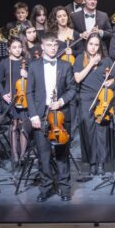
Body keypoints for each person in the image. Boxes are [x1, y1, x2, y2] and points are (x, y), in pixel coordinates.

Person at [26, 32, 76, 202]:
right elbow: (29, 92)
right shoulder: (33, 66)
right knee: (44, 156)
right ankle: (46, 188)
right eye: (49, 45)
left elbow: (72, 89)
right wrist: (33, 115)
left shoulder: (66, 65)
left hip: (60, 115)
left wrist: (61, 101)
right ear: (42, 47)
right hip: (41, 114)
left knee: (62, 154)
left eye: (55, 45)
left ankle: (64, 189)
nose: (53, 48)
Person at [73, 35, 115, 177]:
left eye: (96, 45)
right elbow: (78, 78)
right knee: (89, 130)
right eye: (91, 44)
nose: (93, 47)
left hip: (102, 98)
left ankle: (101, 164)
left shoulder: (106, 60)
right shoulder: (80, 58)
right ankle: (92, 163)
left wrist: (111, 81)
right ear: (86, 45)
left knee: (102, 131)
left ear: (100, 46)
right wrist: (91, 63)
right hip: (86, 98)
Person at [0, 37, 28, 168]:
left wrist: (27, 75)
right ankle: (14, 155)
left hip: (24, 97)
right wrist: (4, 94)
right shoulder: (4, 63)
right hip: (10, 98)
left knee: (23, 125)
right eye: (14, 47)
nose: (17, 50)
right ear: (9, 49)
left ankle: (23, 155)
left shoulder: (27, 61)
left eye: (19, 47)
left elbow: (35, 79)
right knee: (13, 126)